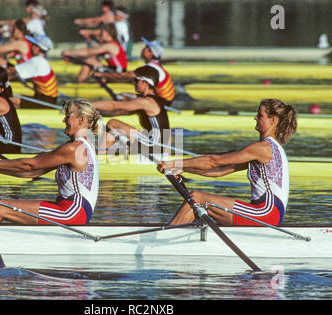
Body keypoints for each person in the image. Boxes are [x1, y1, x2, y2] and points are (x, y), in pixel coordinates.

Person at [157, 99, 297, 227]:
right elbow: (220, 170)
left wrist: (174, 163)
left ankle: (164, 239)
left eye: (260, 115)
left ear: (272, 120)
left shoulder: (262, 148)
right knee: (197, 202)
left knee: (197, 198)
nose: (255, 118)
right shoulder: (267, 149)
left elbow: (213, 162)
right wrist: (183, 168)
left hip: (266, 214)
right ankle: (175, 234)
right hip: (267, 213)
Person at [0, 98, 101, 225]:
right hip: (74, 212)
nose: (63, 120)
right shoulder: (83, 146)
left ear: (82, 120)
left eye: (67, 116)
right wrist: (0, 170)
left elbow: (30, 164)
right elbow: (35, 172)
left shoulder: (73, 148)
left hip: (72, 213)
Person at [92, 65, 170, 155]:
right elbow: (117, 112)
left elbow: (114, 105)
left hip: (154, 146)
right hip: (156, 145)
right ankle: (104, 152)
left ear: (145, 82)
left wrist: (86, 104)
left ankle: (101, 155)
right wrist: (94, 113)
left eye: (136, 80)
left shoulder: (146, 102)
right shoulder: (147, 101)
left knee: (113, 123)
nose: (134, 83)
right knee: (115, 127)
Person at [94, 37, 175, 107]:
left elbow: (124, 76)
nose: (143, 49)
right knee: (128, 95)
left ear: (150, 52)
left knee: (123, 96)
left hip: (162, 103)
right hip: (164, 101)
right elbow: (129, 78)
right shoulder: (155, 65)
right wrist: (109, 79)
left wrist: (102, 74)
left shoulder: (150, 67)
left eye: (146, 47)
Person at [62, 23, 127, 82]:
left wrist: (68, 53)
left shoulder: (110, 46)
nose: (100, 34)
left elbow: (88, 52)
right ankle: (81, 82)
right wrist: (73, 59)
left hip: (118, 74)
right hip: (113, 70)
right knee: (90, 60)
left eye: (101, 32)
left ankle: (79, 84)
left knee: (89, 61)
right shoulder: (109, 44)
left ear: (107, 32)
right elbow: (92, 54)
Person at [7, 35, 59, 108]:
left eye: (31, 44)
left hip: (46, 102)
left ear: (36, 47)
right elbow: (14, 72)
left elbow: (10, 71)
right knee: (11, 99)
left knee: (6, 100)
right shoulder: (40, 60)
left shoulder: (38, 61)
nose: (29, 46)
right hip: (46, 99)